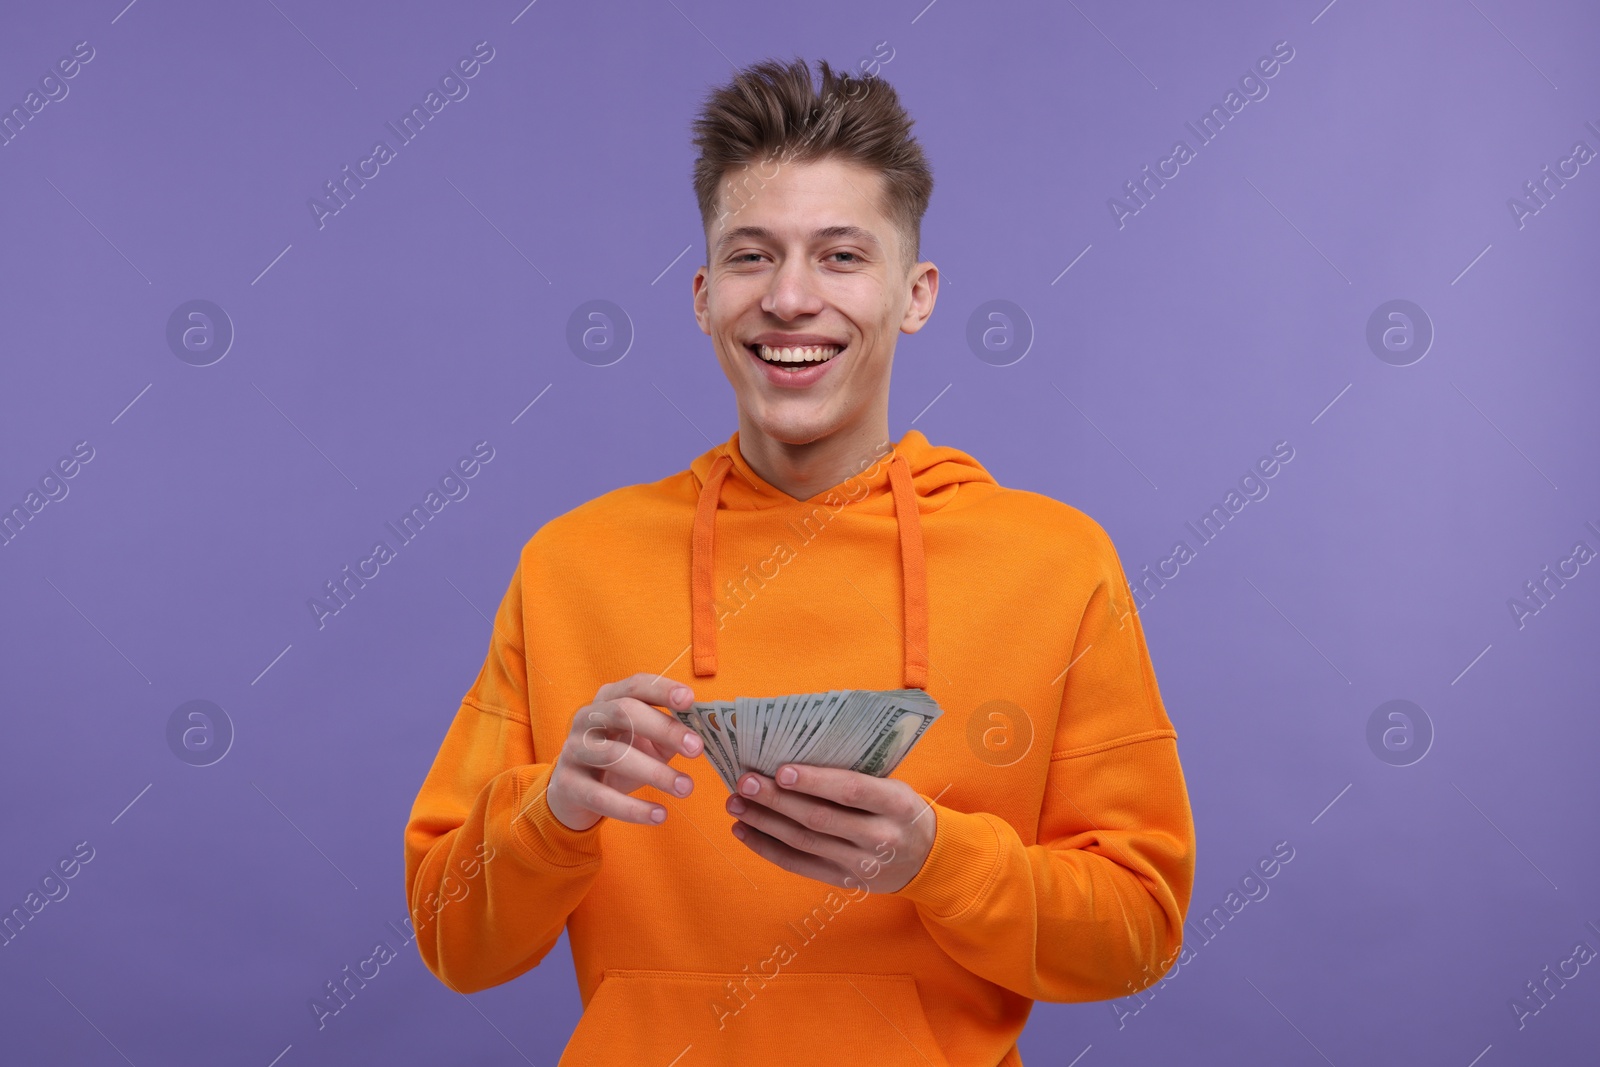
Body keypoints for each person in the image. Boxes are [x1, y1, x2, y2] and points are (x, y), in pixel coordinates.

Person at [404, 55, 1195, 1066]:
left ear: (915, 294)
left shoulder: (1057, 562)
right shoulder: (571, 564)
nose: (788, 297)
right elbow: (449, 938)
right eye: (750, 256)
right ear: (701, 296)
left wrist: (935, 860)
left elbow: (1137, 935)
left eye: (839, 256)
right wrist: (550, 812)